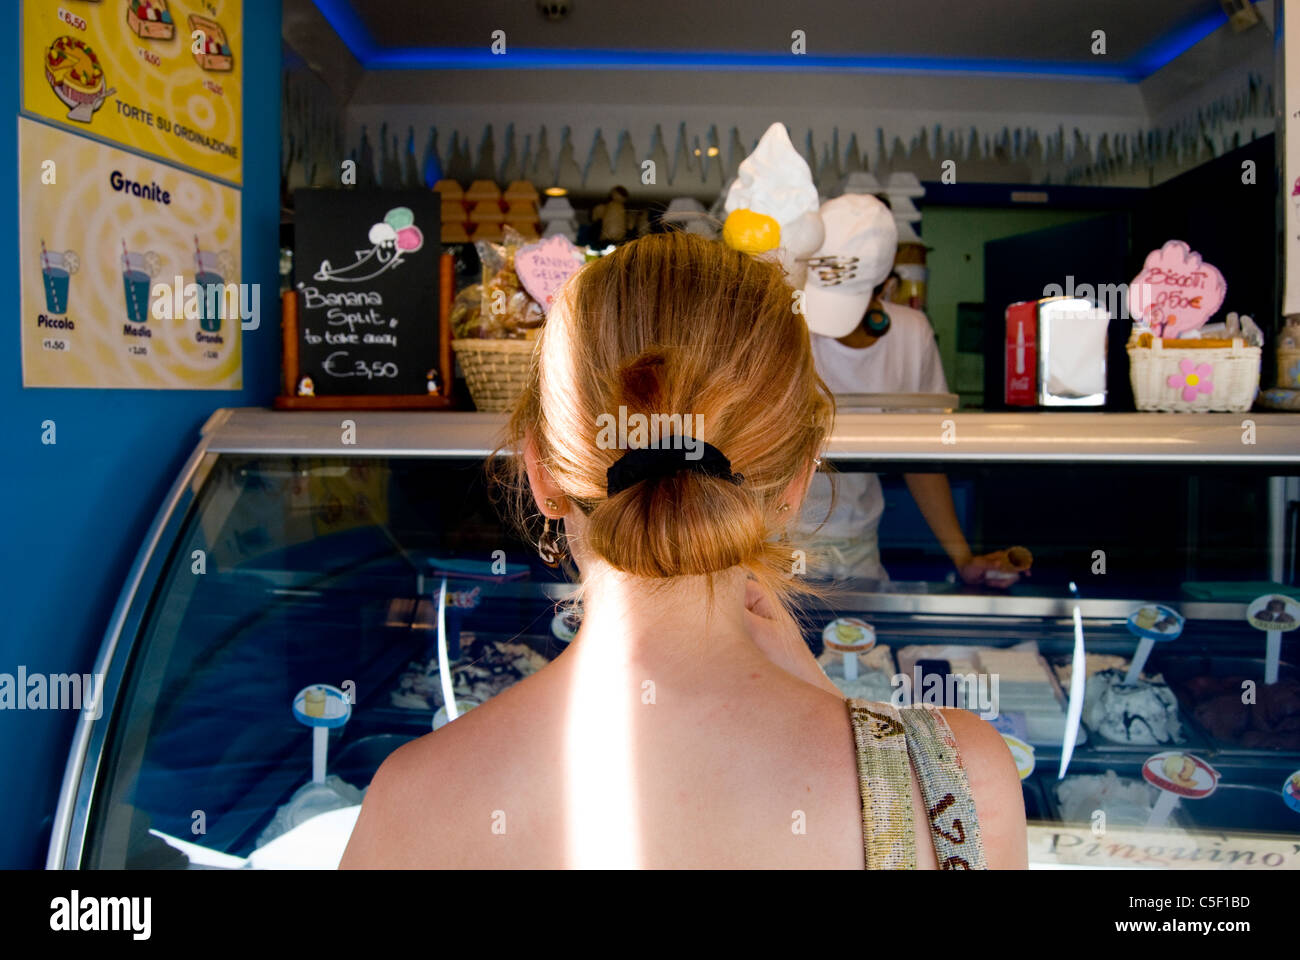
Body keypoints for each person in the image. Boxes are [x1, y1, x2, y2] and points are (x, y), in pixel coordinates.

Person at [341, 231, 1026, 869]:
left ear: (540, 472)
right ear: (797, 482)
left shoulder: (413, 801)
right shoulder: (955, 781)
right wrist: (838, 709)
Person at [797, 193, 1023, 586]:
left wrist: (963, 557)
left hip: (857, 544)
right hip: (771, 544)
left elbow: (922, 459)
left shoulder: (911, 335)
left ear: (885, 287)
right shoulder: (784, 327)